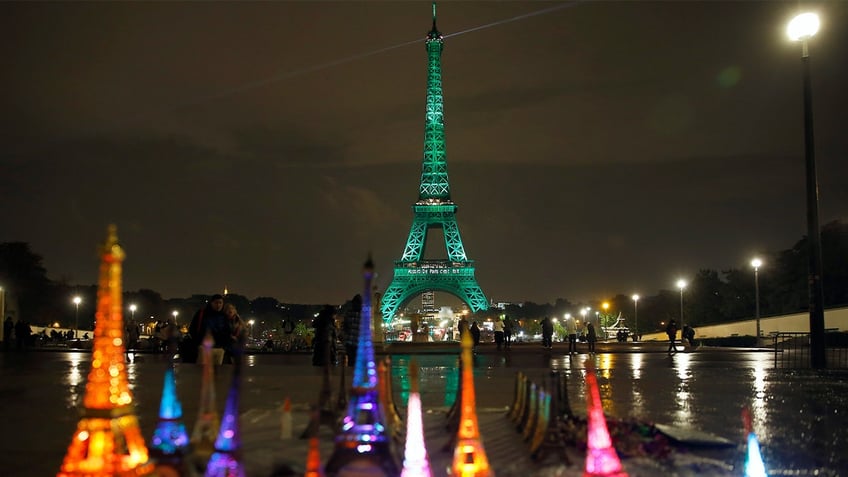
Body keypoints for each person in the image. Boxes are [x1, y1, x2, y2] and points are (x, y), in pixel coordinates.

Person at [186, 294, 228, 365]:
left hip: (219, 348)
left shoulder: (224, 316)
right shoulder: (202, 313)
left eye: (220, 303)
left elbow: (227, 331)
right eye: (216, 303)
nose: (218, 305)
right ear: (211, 303)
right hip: (204, 347)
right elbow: (193, 328)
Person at [341, 294, 362, 366]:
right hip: (358, 343)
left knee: (351, 361)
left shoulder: (349, 313)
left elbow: (344, 327)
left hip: (350, 342)